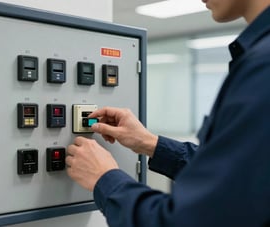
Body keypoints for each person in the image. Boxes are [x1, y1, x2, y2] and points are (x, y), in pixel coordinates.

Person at [65, 0, 270, 226]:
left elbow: (187, 220)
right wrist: (150, 143)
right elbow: (238, 178)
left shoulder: (263, 66)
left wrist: (104, 179)